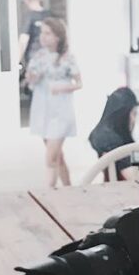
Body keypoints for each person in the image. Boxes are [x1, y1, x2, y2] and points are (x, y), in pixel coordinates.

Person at [26, 18, 81, 189]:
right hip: (43, 109)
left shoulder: (67, 58)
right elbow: (31, 80)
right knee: (57, 156)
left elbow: (79, 83)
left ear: (58, 36)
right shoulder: (39, 56)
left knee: (50, 158)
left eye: (48, 33)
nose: (43, 37)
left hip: (61, 110)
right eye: (42, 33)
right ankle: (69, 188)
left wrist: (62, 87)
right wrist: (31, 76)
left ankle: (49, 191)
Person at [88, 87, 139, 181]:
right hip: (125, 191)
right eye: (133, 114)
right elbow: (134, 179)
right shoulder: (111, 141)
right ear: (122, 115)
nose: (134, 120)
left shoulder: (102, 134)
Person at [18, 0, 50, 66]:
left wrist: (17, 60)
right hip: (49, 56)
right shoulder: (50, 15)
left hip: (34, 56)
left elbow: (23, 40)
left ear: (26, 1)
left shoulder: (29, 16)